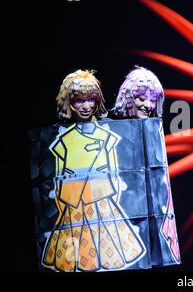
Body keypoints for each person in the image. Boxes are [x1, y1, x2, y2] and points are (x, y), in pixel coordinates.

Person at [42, 69, 145, 272]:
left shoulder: (108, 132)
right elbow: (59, 174)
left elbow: (116, 168)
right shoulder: (62, 137)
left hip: (101, 197)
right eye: (79, 100)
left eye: (91, 99)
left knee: (109, 247)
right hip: (75, 201)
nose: (86, 106)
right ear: (68, 102)